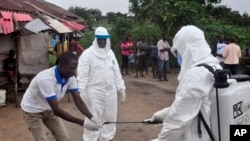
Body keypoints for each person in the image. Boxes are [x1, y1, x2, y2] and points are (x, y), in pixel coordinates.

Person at [144, 25, 222, 141]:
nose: (178, 57)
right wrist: (162, 115)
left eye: (178, 52)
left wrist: (160, 140)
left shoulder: (195, 75)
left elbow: (178, 120)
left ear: (187, 49)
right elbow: (193, 104)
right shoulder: (214, 66)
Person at [20, 51, 99, 141]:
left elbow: (78, 100)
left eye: (75, 68)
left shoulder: (70, 78)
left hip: (48, 109)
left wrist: (91, 118)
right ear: (61, 65)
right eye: (71, 68)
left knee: (64, 139)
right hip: (32, 111)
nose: (74, 72)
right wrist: (83, 123)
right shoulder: (46, 79)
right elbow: (56, 110)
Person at [77, 26, 126, 141]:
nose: (102, 42)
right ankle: (90, 138)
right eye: (100, 39)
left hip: (111, 91)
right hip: (94, 91)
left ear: (107, 40)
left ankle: (107, 138)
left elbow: (116, 72)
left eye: (104, 39)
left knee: (110, 116)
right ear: (96, 39)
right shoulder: (88, 54)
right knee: (94, 117)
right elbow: (82, 74)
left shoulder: (110, 53)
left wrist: (121, 88)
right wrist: (82, 90)